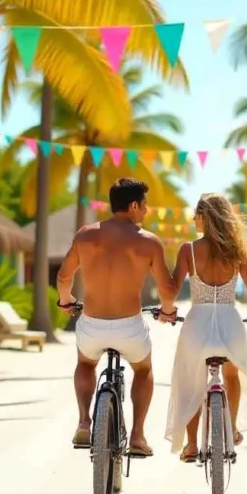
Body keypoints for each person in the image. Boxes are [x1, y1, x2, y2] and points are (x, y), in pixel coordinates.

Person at [56, 178, 178, 457]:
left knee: (86, 364)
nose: (146, 211)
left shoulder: (85, 235)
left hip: (92, 325)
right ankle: (137, 435)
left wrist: (67, 301)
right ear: (134, 206)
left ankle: (85, 421)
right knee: (144, 371)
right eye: (145, 205)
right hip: (129, 328)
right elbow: (167, 290)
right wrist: (167, 311)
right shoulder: (148, 241)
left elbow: (64, 277)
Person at [166, 192, 247, 461]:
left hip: (197, 323)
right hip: (230, 321)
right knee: (231, 376)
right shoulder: (236, 251)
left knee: (190, 382)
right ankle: (230, 428)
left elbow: (171, 289)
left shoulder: (188, 250)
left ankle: (192, 445)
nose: (193, 218)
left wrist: (168, 311)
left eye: (196, 214)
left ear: (205, 217)